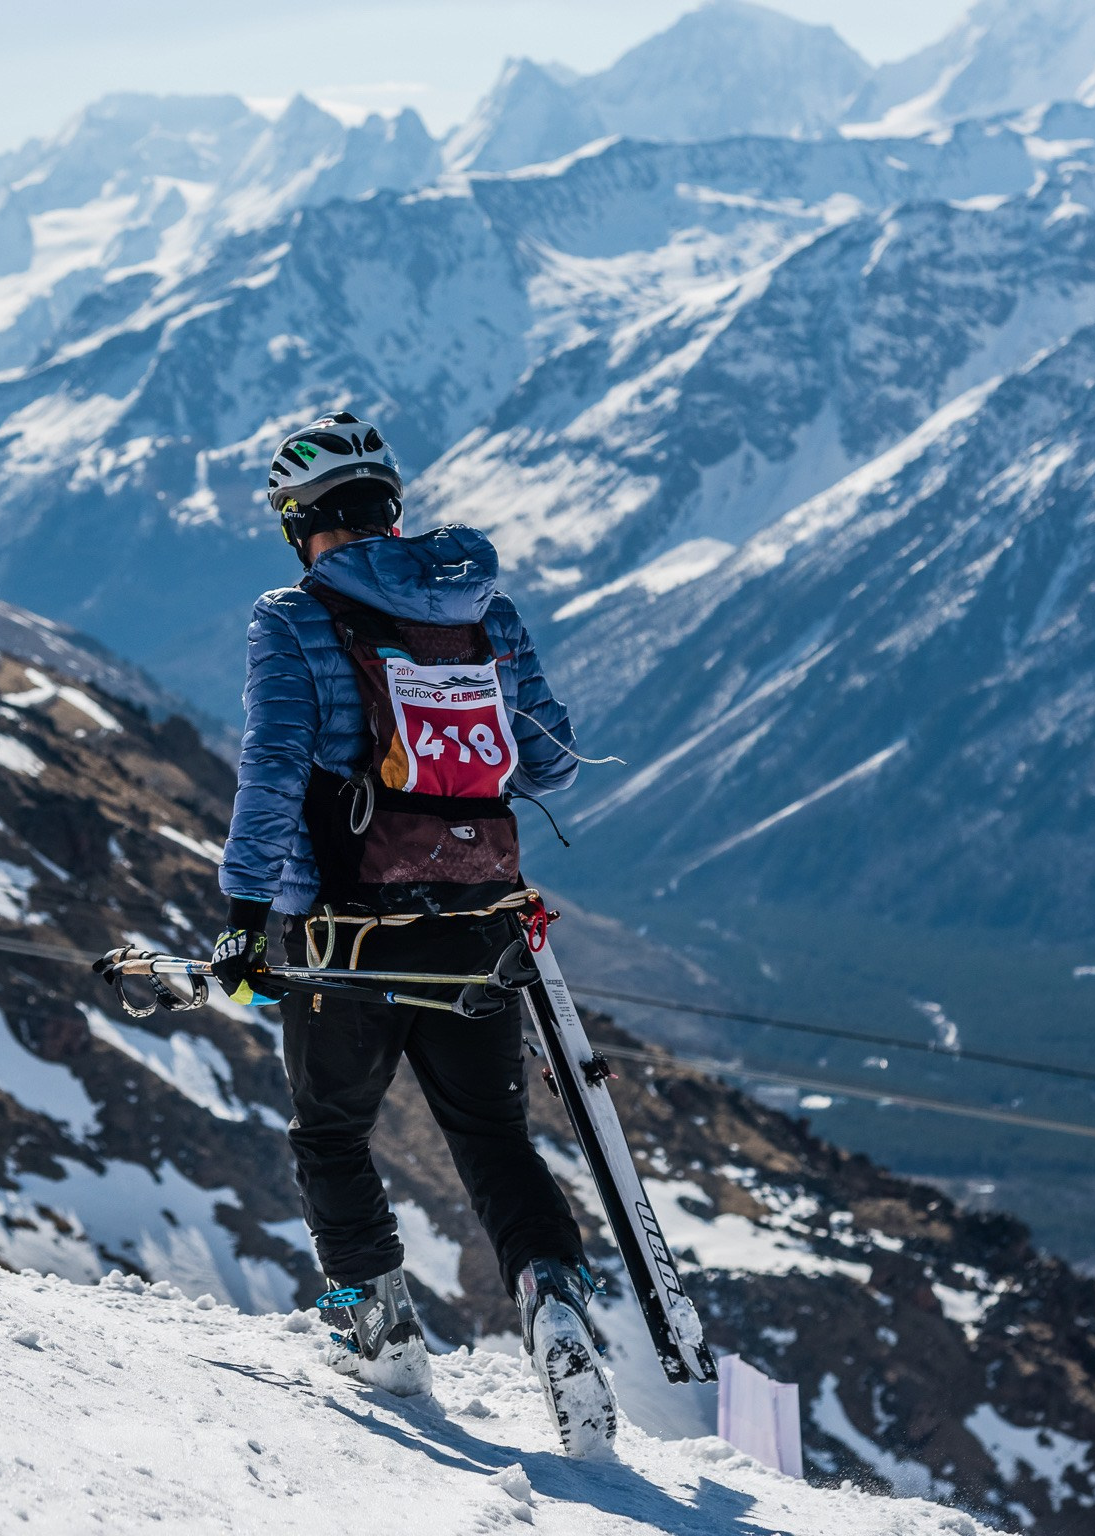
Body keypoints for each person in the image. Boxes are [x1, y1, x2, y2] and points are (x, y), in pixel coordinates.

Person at [211, 410, 618, 1455]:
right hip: (482, 922)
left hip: (346, 933)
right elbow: (552, 765)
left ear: (299, 523)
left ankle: (375, 1322)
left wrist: (245, 917)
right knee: (491, 1137)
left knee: (331, 1130)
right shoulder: (483, 608)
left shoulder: (291, 615)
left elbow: (271, 775)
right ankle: (555, 1300)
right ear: (389, 507)